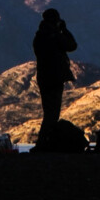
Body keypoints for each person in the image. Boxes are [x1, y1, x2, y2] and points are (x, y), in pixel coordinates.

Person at [32, 8, 77, 145]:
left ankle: (44, 142)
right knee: (53, 113)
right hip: (55, 78)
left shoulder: (39, 36)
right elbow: (72, 45)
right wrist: (64, 30)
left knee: (48, 112)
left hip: (44, 78)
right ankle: (44, 143)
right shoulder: (54, 35)